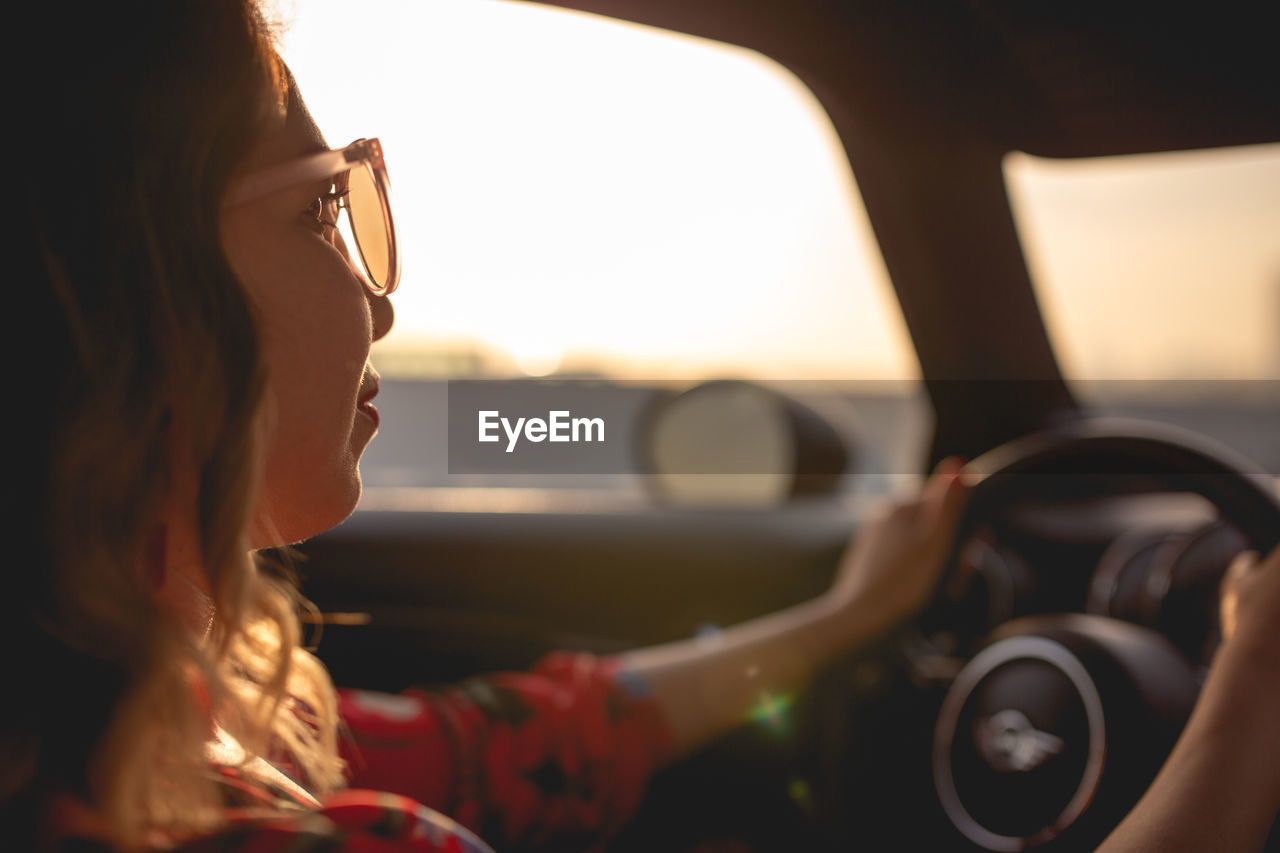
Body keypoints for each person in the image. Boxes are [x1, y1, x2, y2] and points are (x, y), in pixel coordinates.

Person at [5, 2, 969, 851]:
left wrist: (842, 618)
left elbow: (505, 744)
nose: (377, 307)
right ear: (131, 298)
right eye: (318, 209)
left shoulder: (162, 719)